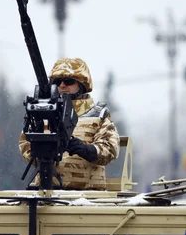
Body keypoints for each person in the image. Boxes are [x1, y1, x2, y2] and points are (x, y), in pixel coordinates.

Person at [19, 57, 120, 190]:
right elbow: (25, 143)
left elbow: (110, 149)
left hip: (87, 196)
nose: (62, 85)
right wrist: (45, 151)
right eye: (57, 81)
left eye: (69, 81)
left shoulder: (98, 115)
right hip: (47, 192)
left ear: (82, 84)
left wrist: (85, 149)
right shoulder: (43, 112)